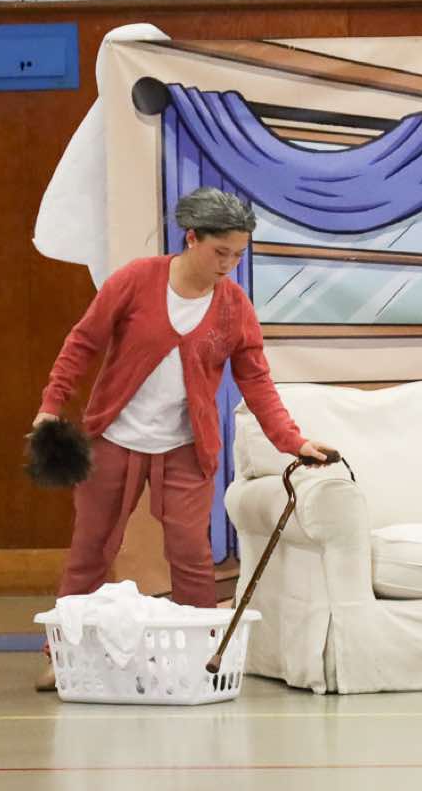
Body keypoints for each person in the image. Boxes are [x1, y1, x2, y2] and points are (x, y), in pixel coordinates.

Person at [31, 188, 336, 690]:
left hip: (185, 448)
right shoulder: (135, 280)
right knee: (92, 551)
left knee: (192, 555)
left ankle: (201, 659)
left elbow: (256, 381)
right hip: (115, 439)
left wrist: (292, 441)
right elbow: (82, 343)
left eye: (238, 255)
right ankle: (62, 657)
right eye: (221, 252)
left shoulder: (234, 307)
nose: (229, 265)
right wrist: (50, 405)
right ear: (192, 238)